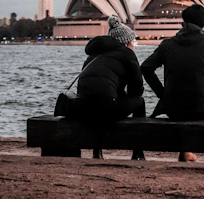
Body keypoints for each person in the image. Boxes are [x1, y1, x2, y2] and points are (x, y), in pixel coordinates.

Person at [140, 4, 204, 162]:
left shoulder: (167, 44)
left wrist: (162, 94)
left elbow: (146, 68)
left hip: (173, 108)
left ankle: (186, 151)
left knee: (187, 106)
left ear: (183, 23)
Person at [54, 15, 146, 160]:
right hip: (106, 109)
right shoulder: (127, 54)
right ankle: (138, 151)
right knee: (139, 101)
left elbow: (84, 86)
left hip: (82, 109)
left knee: (99, 100)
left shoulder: (93, 56)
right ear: (126, 42)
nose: (133, 44)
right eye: (132, 41)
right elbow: (137, 89)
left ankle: (97, 152)